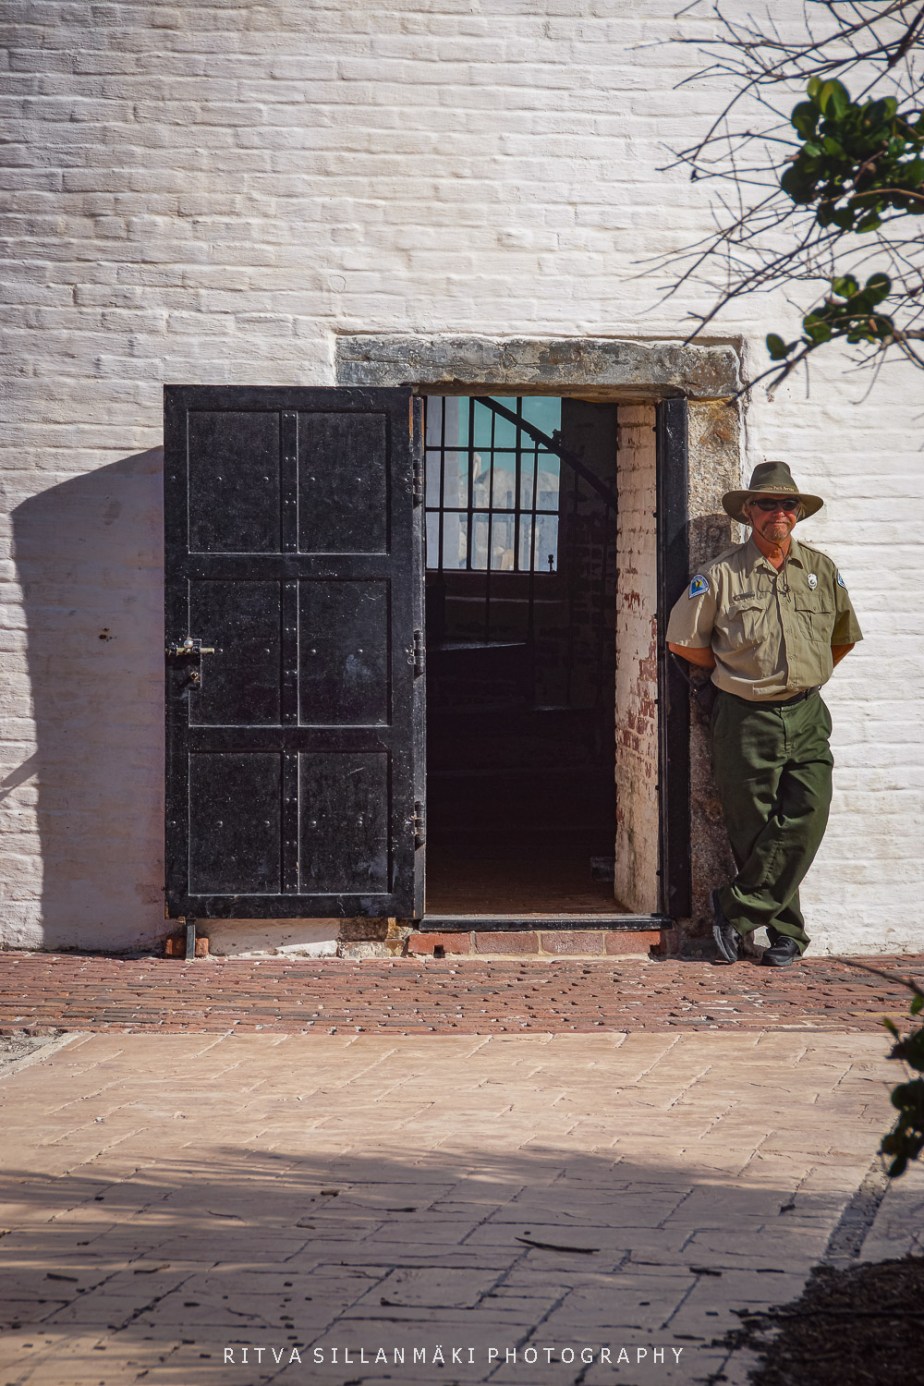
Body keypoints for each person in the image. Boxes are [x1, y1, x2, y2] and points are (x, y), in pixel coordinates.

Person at [666, 461, 862, 966]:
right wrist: (735, 674)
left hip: (807, 712)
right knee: (754, 829)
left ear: (798, 513)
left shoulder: (820, 570)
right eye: (767, 503)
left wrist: (808, 673)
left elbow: (842, 637)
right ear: (749, 511)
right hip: (745, 717)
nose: (779, 512)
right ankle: (786, 935)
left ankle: (734, 908)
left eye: (787, 503)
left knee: (809, 811)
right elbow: (683, 641)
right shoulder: (720, 574)